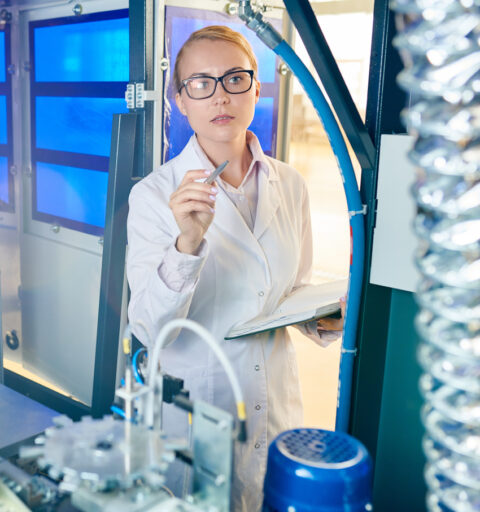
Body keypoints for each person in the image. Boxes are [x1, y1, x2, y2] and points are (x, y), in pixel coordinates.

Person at [125, 26, 344, 511]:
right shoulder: (154, 196)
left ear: (257, 87)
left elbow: (292, 288)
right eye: (200, 83)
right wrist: (187, 242)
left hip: (277, 400)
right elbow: (147, 326)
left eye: (234, 78)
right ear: (180, 100)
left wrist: (322, 318)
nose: (220, 96)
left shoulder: (290, 184)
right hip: (201, 407)